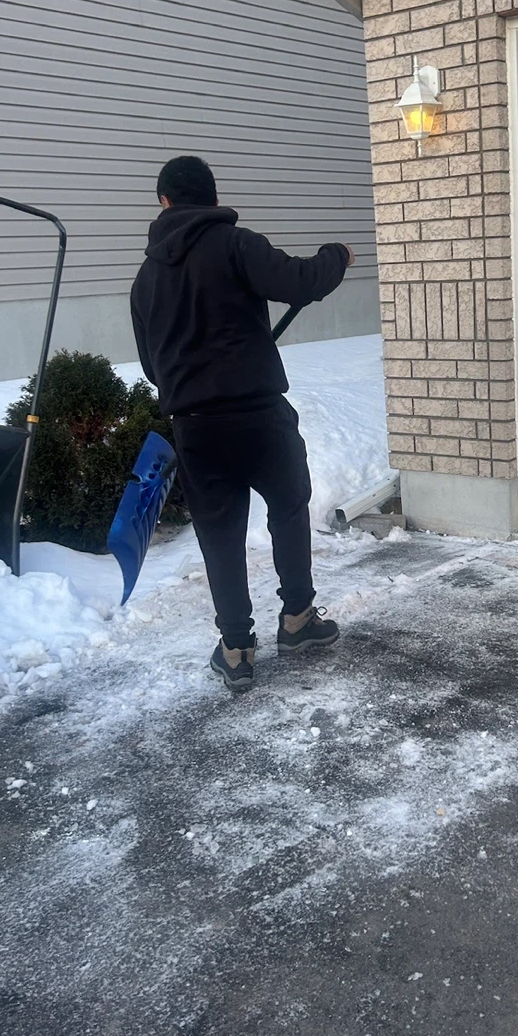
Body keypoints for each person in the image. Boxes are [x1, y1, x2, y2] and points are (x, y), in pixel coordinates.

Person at [130, 155, 354, 693]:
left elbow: (152, 366)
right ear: (213, 197)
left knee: (220, 535)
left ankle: (235, 649)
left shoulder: (145, 279)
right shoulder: (236, 245)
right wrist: (336, 255)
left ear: (164, 201)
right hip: (258, 416)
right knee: (288, 510)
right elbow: (301, 281)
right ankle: (298, 620)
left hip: (196, 426)